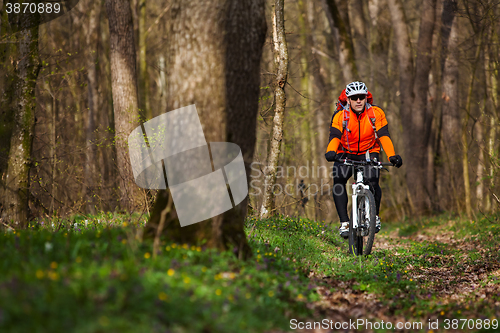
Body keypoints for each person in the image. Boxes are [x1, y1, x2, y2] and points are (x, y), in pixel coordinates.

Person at [324, 81, 402, 239]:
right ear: (348, 100)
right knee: (338, 181)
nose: (358, 101)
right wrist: (331, 151)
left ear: (366, 98)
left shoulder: (376, 113)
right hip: (345, 152)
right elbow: (335, 136)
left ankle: (374, 216)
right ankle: (344, 222)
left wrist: (392, 155)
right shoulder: (341, 116)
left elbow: (384, 135)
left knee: (373, 181)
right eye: (354, 98)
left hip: (368, 151)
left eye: (361, 97)